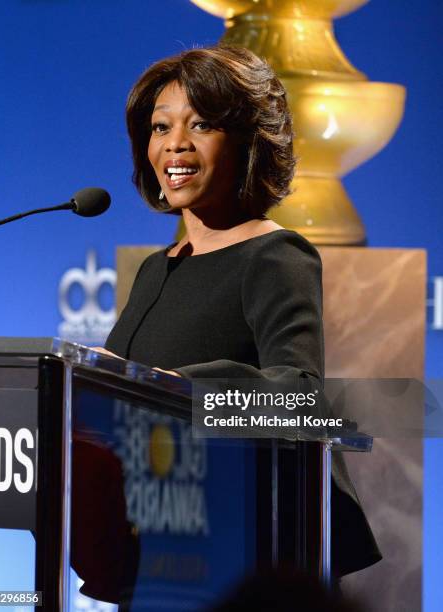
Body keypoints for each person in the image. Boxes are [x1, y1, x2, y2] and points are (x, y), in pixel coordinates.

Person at [104, 44, 381, 577]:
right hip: (162, 541)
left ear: (247, 142)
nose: (174, 146)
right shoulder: (157, 268)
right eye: (160, 128)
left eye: (201, 124)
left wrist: (173, 389)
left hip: (245, 552)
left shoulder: (275, 255)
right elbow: (114, 396)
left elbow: (297, 392)